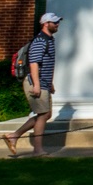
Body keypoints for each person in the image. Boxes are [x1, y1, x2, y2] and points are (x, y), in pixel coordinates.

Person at [7, 13, 59, 157]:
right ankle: (37, 150)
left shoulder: (49, 40)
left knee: (46, 114)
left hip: (43, 83)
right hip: (35, 82)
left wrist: (50, 83)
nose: (57, 24)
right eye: (54, 22)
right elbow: (34, 64)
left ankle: (15, 135)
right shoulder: (40, 41)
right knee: (42, 115)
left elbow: (46, 65)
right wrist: (36, 84)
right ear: (45, 24)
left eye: (57, 22)